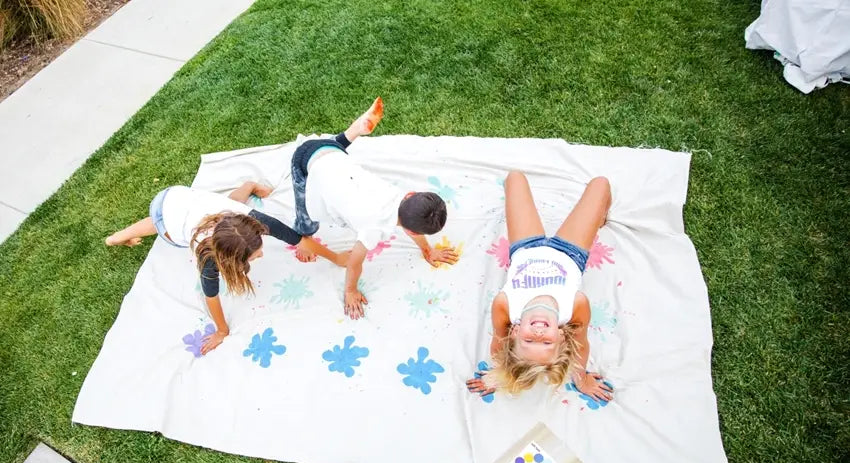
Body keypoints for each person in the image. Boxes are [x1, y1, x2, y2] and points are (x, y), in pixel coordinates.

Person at [105, 181, 347, 354]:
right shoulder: (208, 257)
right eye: (254, 255)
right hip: (165, 208)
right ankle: (118, 236)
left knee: (229, 204)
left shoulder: (249, 220)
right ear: (230, 259)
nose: (261, 254)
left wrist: (336, 259)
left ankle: (249, 185)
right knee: (164, 228)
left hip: (185, 197)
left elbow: (295, 238)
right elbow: (211, 296)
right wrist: (221, 331)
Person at [289, 97, 458, 320]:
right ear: (414, 231)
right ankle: (304, 236)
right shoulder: (373, 229)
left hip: (332, 152)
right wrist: (350, 291)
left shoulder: (397, 195)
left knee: (336, 156)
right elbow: (354, 263)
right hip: (304, 161)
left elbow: (413, 220)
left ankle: (354, 131)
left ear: (410, 194)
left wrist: (427, 250)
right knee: (306, 221)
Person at [466, 171, 614, 401]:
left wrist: (497, 375)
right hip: (570, 252)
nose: (538, 333)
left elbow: (497, 343)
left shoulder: (505, 305)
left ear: (514, 333)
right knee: (601, 184)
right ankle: (599, 216)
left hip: (525, 247)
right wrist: (582, 379)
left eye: (528, 340)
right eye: (546, 342)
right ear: (561, 337)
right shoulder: (575, 304)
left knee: (515, 177)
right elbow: (582, 344)